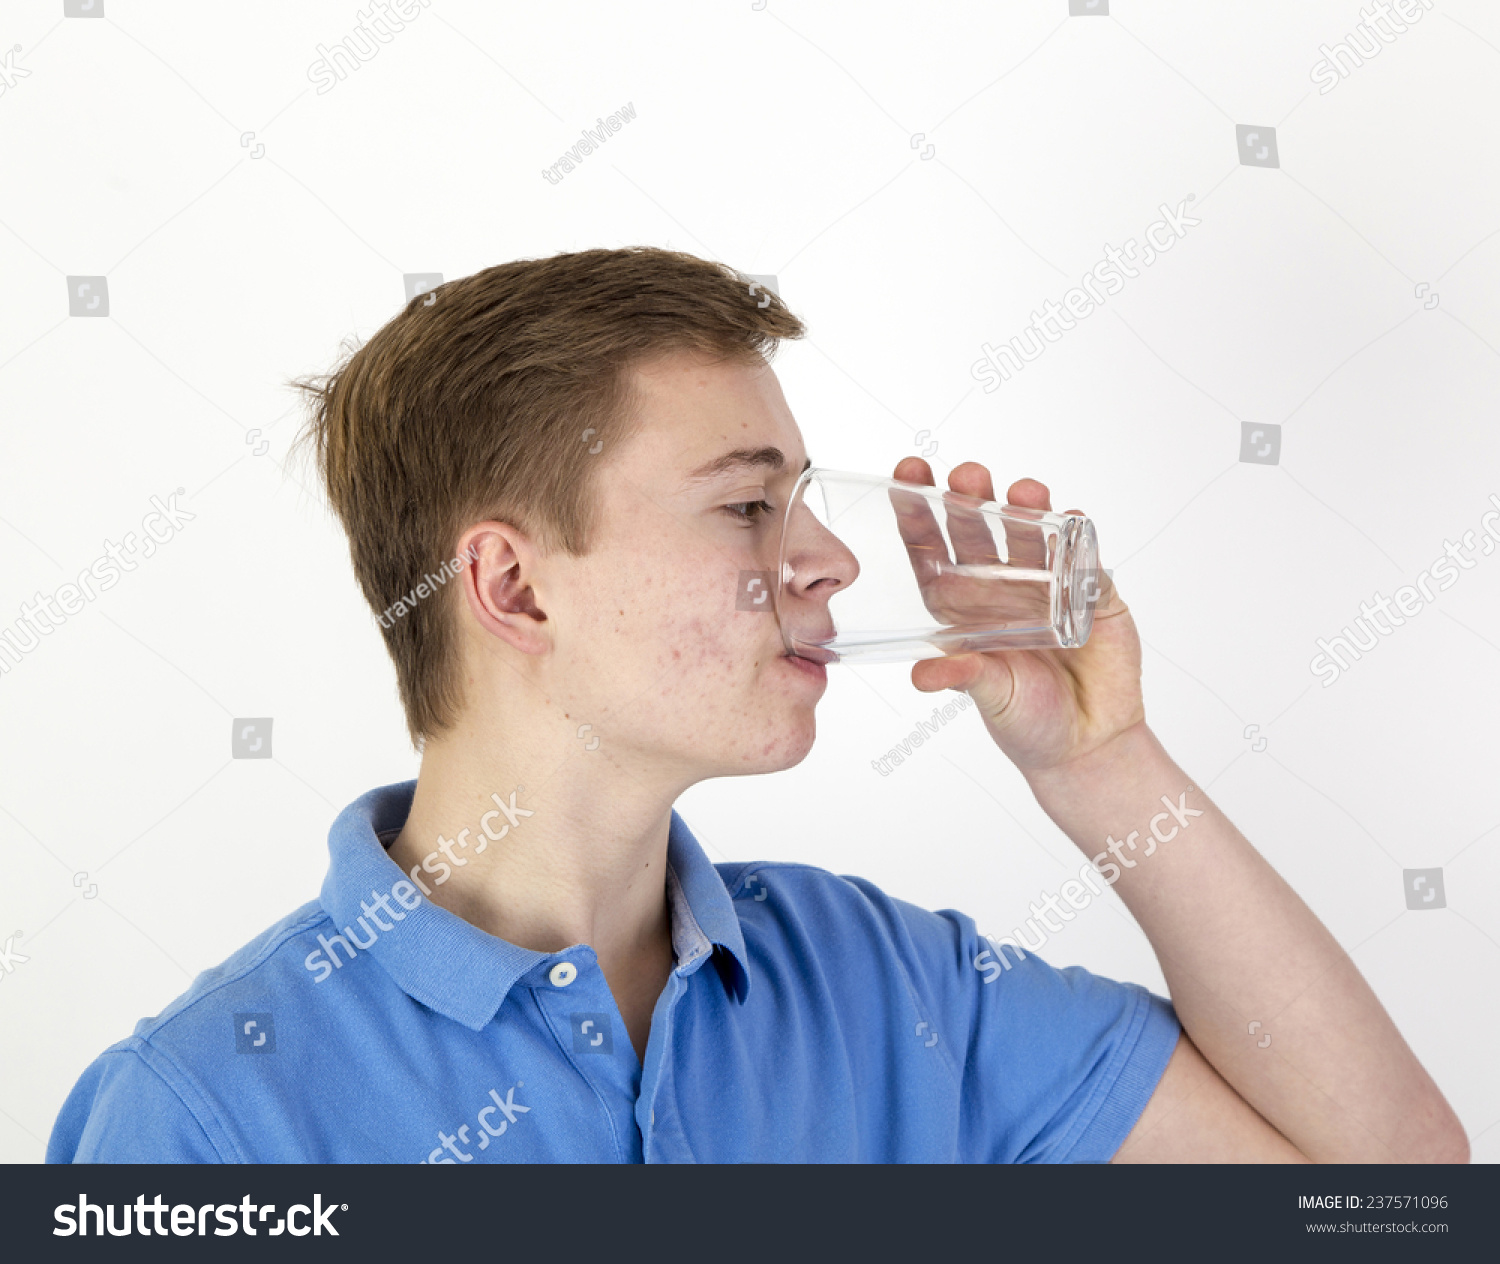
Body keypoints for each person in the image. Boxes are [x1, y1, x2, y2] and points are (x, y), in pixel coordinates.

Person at [48, 248, 1466, 1163]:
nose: (833, 558)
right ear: (514, 589)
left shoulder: (885, 987)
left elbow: (1393, 1198)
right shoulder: (201, 1116)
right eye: (746, 504)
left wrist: (1104, 763)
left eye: (797, 495)